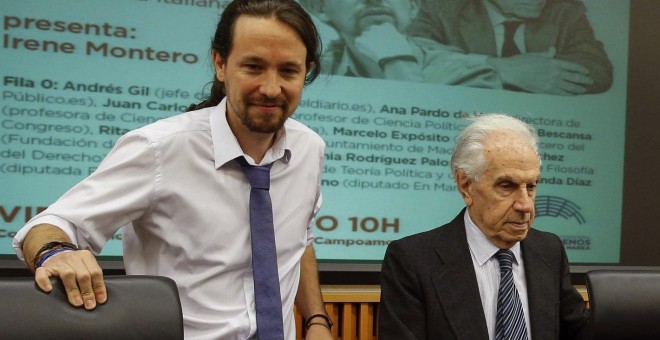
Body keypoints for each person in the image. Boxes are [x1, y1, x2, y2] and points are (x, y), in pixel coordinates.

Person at [12, 0, 335, 339]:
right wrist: (57, 252)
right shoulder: (159, 148)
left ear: (306, 71)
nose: (271, 88)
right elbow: (51, 224)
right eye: (253, 67)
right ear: (220, 64)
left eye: (288, 70)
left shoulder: (309, 149)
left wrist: (316, 318)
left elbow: (298, 237)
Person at [379, 114, 590, 339]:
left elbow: (579, 331)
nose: (526, 205)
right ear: (466, 186)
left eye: (531, 186)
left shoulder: (549, 250)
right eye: (507, 186)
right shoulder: (413, 260)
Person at [409, 0, 613, 95]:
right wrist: (500, 69)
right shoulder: (441, 9)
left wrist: (535, 73)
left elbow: (598, 69)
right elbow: (414, 58)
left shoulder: (565, 11)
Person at [300, 0, 501, 87]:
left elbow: (427, 143)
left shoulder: (472, 73)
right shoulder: (307, 75)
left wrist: (397, 61)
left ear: (413, 7)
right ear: (319, 7)